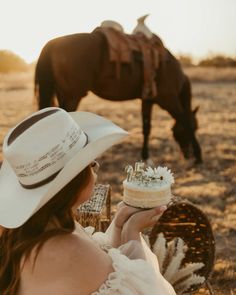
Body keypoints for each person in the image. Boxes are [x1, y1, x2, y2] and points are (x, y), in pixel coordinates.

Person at [0, 107, 176, 295]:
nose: (96, 169)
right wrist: (132, 232)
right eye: (92, 163)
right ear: (74, 180)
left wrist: (119, 226)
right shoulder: (73, 251)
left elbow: (100, 274)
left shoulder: (30, 233)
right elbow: (144, 291)